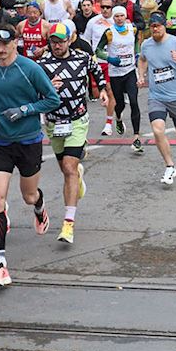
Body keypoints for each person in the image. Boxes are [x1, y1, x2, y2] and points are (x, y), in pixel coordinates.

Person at [0, 24, 59, 288]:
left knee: (29, 195)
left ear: (16, 43)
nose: (2, 49)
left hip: (28, 140)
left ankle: (40, 208)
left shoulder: (30, 69)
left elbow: (52, 100)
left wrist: (26, 109)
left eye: (6, 44)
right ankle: (1, 265)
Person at [42, 24, 106, 242]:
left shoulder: (83, 58)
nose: (57, 45)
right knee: (66, 169)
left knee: (68, 167)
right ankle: (78, 175)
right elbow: (32, 90)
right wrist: (48, 87)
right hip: (54, 122)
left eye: (61, 41)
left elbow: (97, 71)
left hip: (77, 120)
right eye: (53, 41)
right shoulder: (42, 64)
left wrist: (104, 90)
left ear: (69, 40)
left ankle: (68, 224)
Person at [138, 13, 176, 186]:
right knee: (157, 130)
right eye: (152, 26)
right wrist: (141, 75)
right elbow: (142, 60)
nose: (155, 29)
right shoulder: (146, 45)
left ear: (165, 26)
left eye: (158, 26)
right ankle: (169, 165)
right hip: (157, 97)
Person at [95, 6, 140, 145]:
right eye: (116, 16)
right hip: (115, 74)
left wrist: (137, 53)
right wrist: (109, 59)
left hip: (130, 71)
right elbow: (98, 50)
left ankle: (136, 136)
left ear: (126, 17)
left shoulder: (132, 29)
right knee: (119, 103)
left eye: (122, 16)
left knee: (133, 101)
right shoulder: (109, 33)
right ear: (113, 18)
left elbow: (136, 42)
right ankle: (119, 118)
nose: (119, 19)